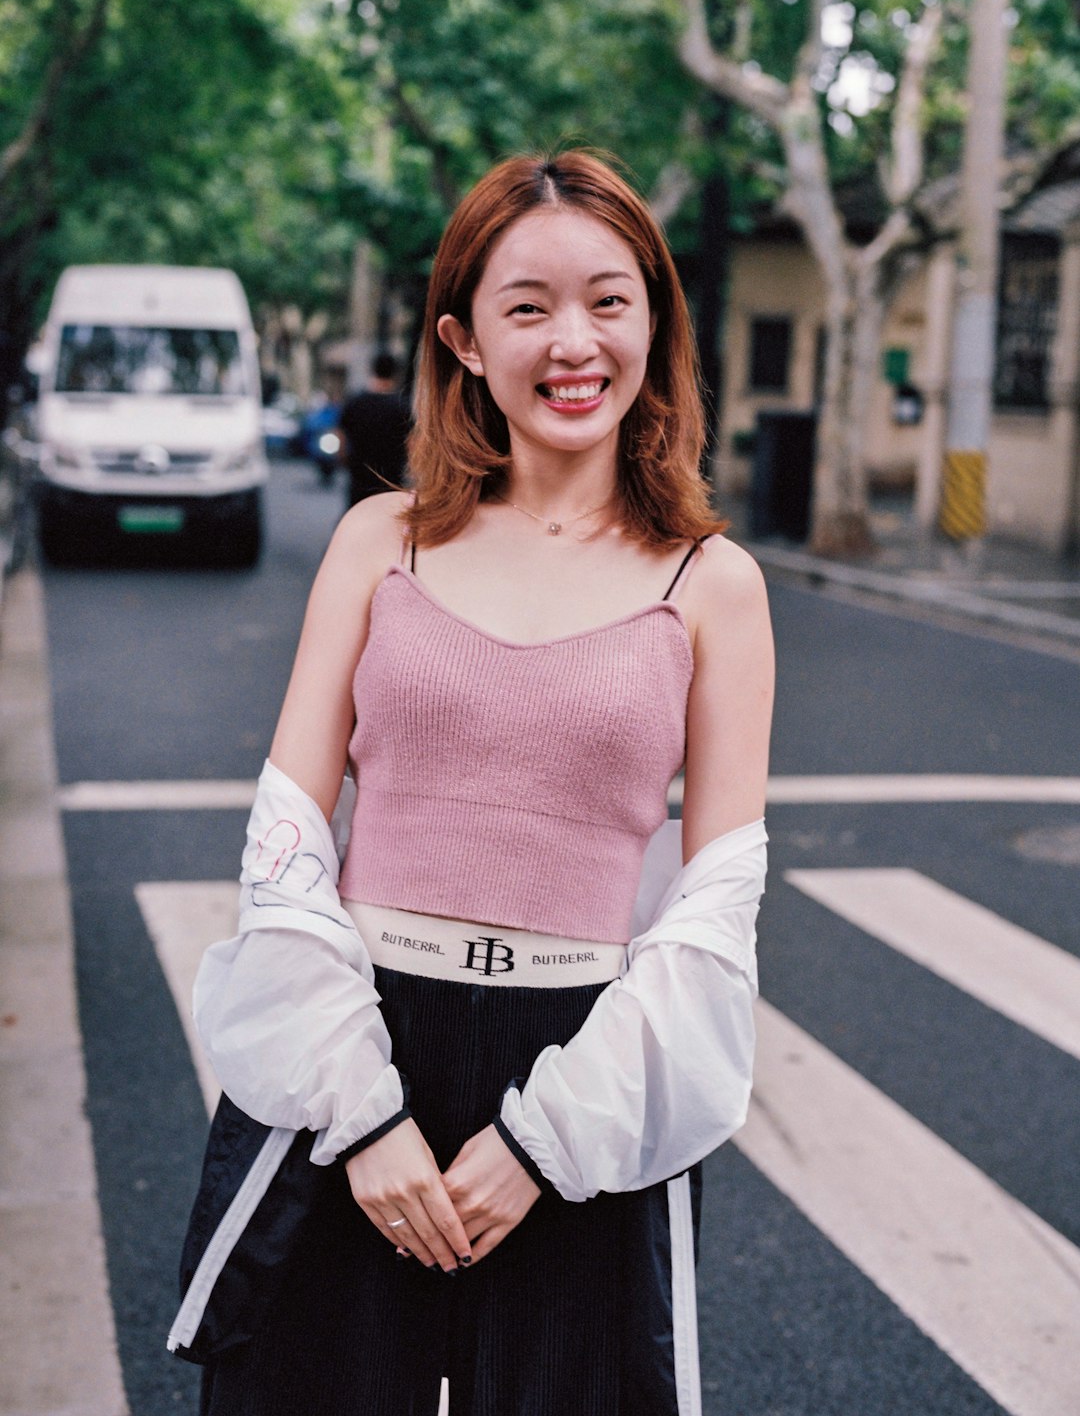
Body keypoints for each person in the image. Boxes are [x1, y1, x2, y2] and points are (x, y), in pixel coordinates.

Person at [171, 150, 774, 1415]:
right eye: (529, 305)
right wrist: (365, 1118)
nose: (575, 340)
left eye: (611, 300)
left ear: (654, 323)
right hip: (355, 1051)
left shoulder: (710, 584)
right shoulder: (379, 541)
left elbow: (716, 909)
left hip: (581, 1079)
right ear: (462, 337)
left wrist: (542, 1143)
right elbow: (286, 840)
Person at [338, 350, 412, 508]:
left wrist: (346, 460)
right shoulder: (402, 406)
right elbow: (412, 444)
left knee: (357, 518)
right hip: (390, 479)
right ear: (395, 373)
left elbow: (341, 437)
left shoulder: (355, 402)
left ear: (372, 370)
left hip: (359, 477)